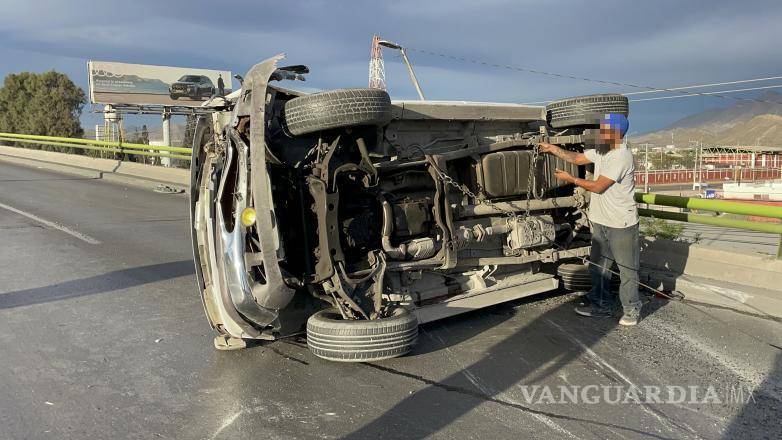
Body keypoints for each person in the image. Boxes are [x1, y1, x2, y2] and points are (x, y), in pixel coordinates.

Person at [538, 113, 642, 326]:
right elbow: (577, 158)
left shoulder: (621, 155)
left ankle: (632, 309)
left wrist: (571, 179)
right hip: (602, 220)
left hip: (621, 223)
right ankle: (601, 305)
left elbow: (598, 186)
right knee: (598, 267)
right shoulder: (604, 149)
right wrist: (553, 149)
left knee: (627, 269)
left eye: (604, 128)